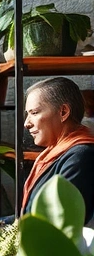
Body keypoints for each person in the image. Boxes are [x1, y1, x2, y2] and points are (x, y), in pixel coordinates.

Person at [21, 77, 94, 223]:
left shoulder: (81, 157)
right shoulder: (57, 153)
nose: (26, 123)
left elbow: (57, 223)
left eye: (34, 113)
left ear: (63, 112)